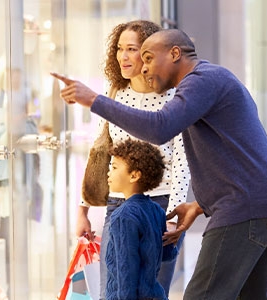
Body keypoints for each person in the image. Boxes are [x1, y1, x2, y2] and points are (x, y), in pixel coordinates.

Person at [53, 29, 267, 299]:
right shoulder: (207, 82)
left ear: (175, 53)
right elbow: (235, 155)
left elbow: (160, 128)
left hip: (246, 207)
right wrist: (200, 205)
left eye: (148, 58)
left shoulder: (202, 80)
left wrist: (95, 100)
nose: (143, 68)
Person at [74, 20, 190, 298]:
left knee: (152, 290)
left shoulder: (176, 97)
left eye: (132, 49)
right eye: (119, 49)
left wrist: (173, 218)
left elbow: (183, 161)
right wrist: (83, 210)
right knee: (111, 291)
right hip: (118, 203)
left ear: (150, 53)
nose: (123, 56)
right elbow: (102, 151)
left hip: (160, 206)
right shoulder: (116, 94)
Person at [104, 139, 175, 300]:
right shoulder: (156, 210)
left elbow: (126, 268)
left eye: (114, 167)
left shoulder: (122, 215)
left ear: (134, 175)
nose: (109, 172)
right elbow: (168, 254)